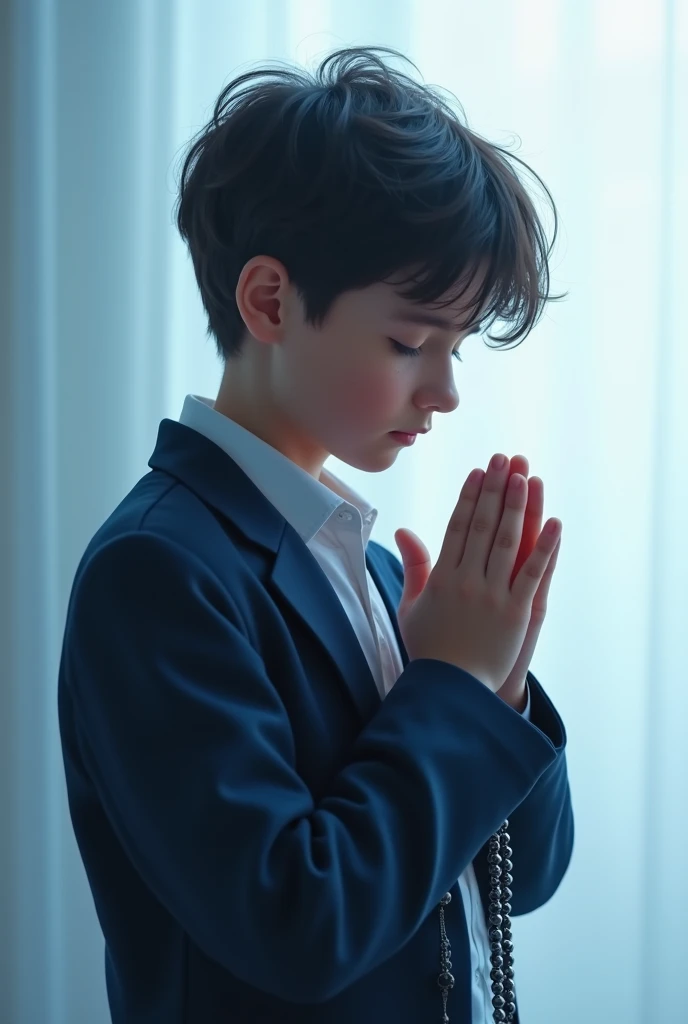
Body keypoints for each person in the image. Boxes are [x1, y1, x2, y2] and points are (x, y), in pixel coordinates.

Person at [57, 45, 574, 1024]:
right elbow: (298, 925)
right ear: (269, 301)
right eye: (410, 342)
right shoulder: (157, 571)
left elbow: (525, 879)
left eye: (455, 349)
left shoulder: (376, 569)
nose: (445, 390)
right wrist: (453, 689)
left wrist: (493, 683)